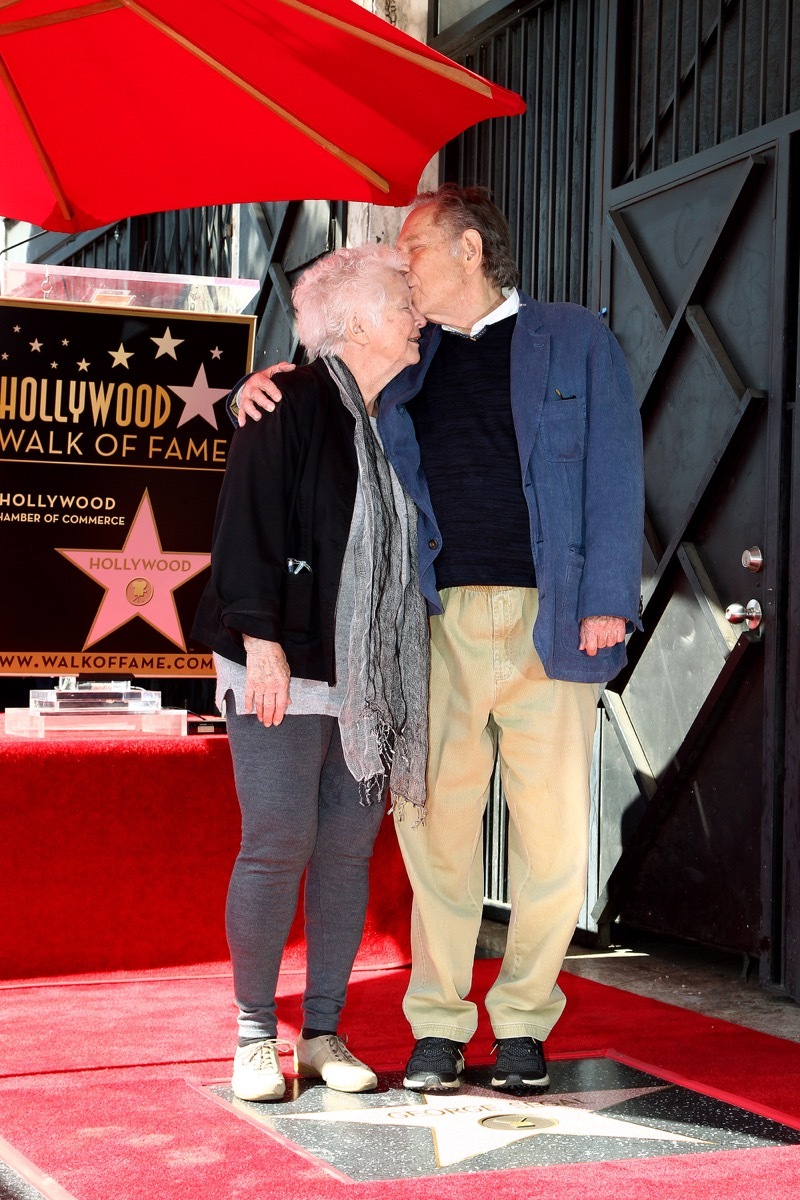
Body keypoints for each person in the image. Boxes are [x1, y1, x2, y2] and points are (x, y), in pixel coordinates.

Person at [234, 184, 644, 1095]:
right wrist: (256, 382)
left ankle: (527, 1021)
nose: (398, 262)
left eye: (412, 247)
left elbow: (618, 466)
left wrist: (610, 595)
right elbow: (329, 393)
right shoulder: (406, 360)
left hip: (556, 616)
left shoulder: (574, 336)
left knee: (552, 838)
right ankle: (439, 1024)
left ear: (468, 251)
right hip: (433, 624)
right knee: (434, 831)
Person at [192, 244, 430, 1103]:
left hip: (365, 678)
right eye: (403, 297)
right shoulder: (284, 398)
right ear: (358, 319)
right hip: (280, 663)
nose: (419, 311)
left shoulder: (386, 419)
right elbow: (246, 523)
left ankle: (324, 1031)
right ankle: (257, 1034)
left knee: (343, 854)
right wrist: (260, 643)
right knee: (278, 840)